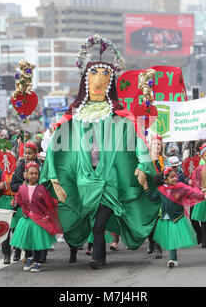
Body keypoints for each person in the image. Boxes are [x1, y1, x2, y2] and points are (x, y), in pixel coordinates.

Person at [40, 40, 159, 270]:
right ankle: (95, 254)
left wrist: (144, 164)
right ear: (86, 80)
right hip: (84, 180)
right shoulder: (74, 115)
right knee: (91, 220)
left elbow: (139, 141)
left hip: (109, 180)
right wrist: (54, 177)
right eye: (94, 73)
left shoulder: (121, 115)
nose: (100, 78)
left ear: (110, 81)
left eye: (106, 74)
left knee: (100, 223)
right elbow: (56, 144)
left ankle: (97, 258)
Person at [145, 167, 206, 268]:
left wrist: (204, 196)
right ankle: (173, 259)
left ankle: (172, 259)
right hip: (165, 218)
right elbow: (152, 198)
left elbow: (192, 192)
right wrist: (146, 188)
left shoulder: (180, 187)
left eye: (175, 176)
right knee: (170, 238)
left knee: (172, 238)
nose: (175, 178)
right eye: (171, 177)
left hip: (177, 218)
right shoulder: (161, 190)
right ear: (165, 180)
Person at [10, 162, 61, 272]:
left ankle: (37, 262)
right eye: (31, 173)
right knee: (25, 242)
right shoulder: (22, 188)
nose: (34, 175)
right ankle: (30, 256)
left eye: (36, 173)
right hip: (26, 219)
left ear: (39, 175)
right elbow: (19, 201)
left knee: (37, 242)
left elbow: (48, 203)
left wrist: (56, 202)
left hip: (38, 220)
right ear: (26, 175)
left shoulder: (42, 189)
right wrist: (14, 209)